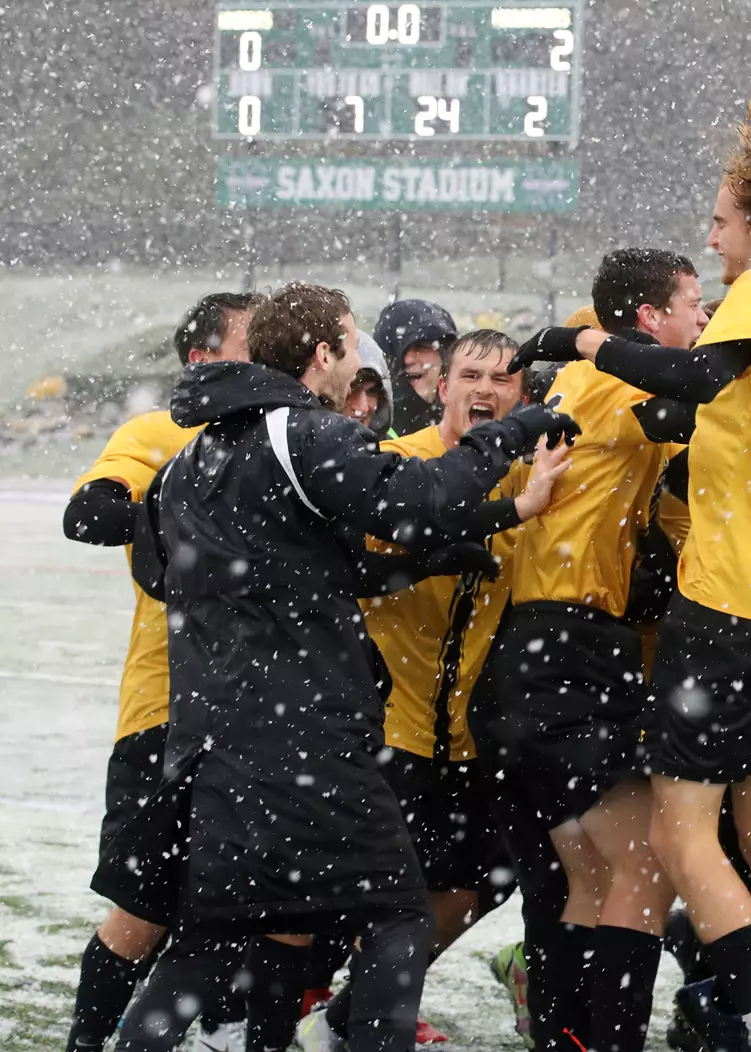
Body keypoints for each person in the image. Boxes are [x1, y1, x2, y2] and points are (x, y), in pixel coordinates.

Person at [104, 282, 577, 1052]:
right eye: (352, 346)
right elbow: (417, 497)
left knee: (214, 939)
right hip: (303, 741)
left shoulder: (193, 453)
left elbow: (183, 572)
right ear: (322, 355)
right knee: (398, 917)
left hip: (214, 745)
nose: (358, 362)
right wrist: (515, 430)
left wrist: (430, 552)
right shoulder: (304, 432)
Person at [508, 104, 751, 1052]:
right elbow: (729, 410)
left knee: (676, 837)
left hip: (734, 598)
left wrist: (579, 341)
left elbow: (698, 377)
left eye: (721, 222)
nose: (713, 242)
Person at [298, 328, 572, 1051]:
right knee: (357, 896)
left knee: (479, 884)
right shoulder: (397, 464)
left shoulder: (535, 473)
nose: (485, 389)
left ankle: (347, 1013)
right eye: (470, 375)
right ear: (440, 387)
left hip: (473, 731)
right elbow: (401, 539)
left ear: (523, 397)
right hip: (385, 723)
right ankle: (270, 1010)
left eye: (503, 380)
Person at [473, 248, 705, 1052]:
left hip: (552, 648)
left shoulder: (595, 374)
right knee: (642, 867)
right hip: (565, 648)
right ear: (649, 319)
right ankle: (603, 1042)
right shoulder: (619, 380)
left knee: (590, 875)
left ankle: (569, 1038)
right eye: (692, 305)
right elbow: (707, 403)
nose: (702, 322)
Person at [62, 292, 260, 1052]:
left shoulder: (284, 436)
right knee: (142, 916)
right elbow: (88, 514)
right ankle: (89, 1041)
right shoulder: (160, 431)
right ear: (203, 358)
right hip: (167, 715)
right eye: (254, 340)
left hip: (262, 720)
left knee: (241, 914)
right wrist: (195, 529)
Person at [375, 298, 458, 436]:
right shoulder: (372, 429)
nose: (408, 359)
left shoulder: (466, 422)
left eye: (421, 347)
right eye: (395, 352)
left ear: (445, 356)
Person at [343, 333, 393, 436]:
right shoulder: (304, 448)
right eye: (351, 390)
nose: (363, 407)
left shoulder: (390, 448)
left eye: (372, 391)